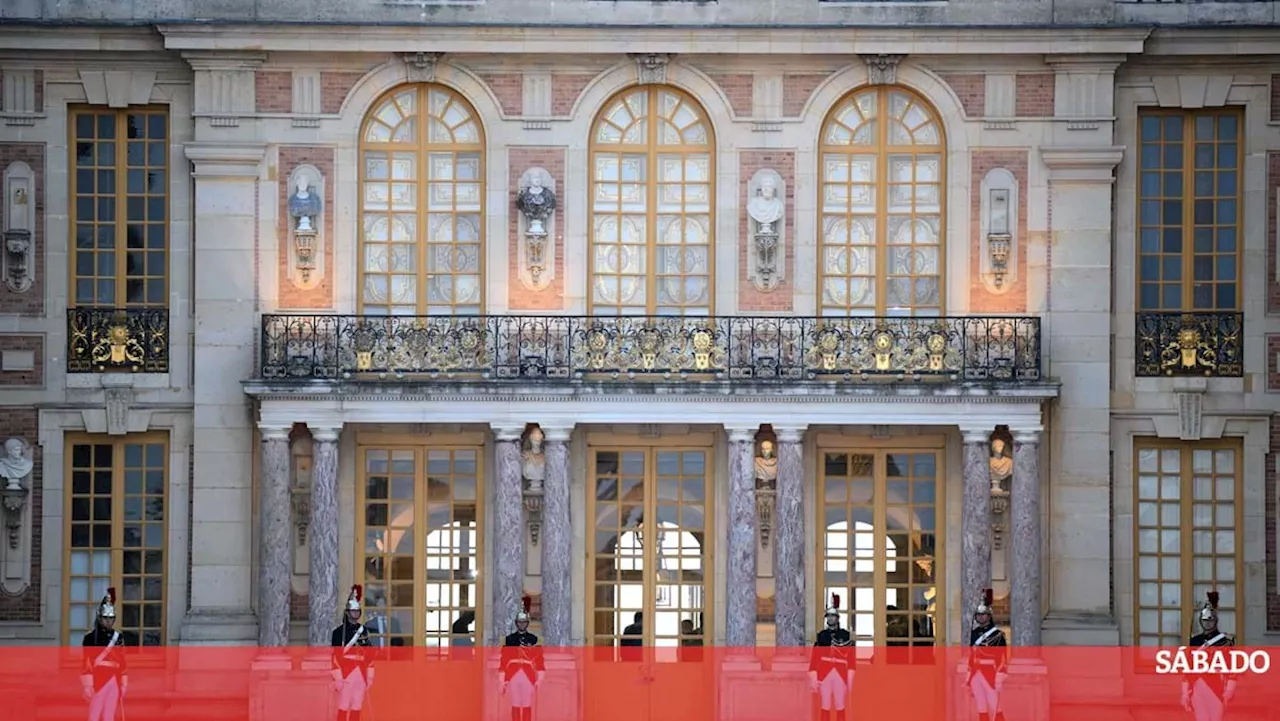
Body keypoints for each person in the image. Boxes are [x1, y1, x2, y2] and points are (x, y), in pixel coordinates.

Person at [1182, 591, 1236, 721]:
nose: (1207, 623)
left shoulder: (1226, 641)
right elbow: (1188, 669)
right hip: (1197, 686)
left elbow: (1232, 670)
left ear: (1215, 621)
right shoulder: (1195, 641)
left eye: (1210, 620)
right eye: (1204, 620)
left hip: (1217, 686)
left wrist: (1229, 691)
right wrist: (1184, 693)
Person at [81, 588, 133, 721]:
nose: (109, 621)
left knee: (109, 715)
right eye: (105, 618)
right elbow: (86, 662)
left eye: (111, 618)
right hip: (98, 678)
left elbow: (122, 662)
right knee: (94, 715)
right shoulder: (90, 638)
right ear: (100, 618)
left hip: (114, 679)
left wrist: (124, 682)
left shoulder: (118, 636)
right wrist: (87, 685)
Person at [331, 585, 375, 721]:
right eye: (353, 611)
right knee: (343, 705)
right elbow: (335, 656)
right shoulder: (338, 632)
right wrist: (337, 677)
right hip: (346, 671)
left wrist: (370, 675)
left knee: (357, 706)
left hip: (360, 671)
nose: (355, 614)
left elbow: (369, 654)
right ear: (347, 612)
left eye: (357, 611)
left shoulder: (364, 631)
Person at [809, 594, 854, 721]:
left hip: (840, 672)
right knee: (825, 705)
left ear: (837, 618)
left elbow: (850, 658)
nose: (830, 619)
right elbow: (815, 657)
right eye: (828, 616)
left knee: (840, 705)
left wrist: (850, 677)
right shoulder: (821, 635)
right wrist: (813, 675)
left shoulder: (845, 635)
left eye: (833, 616)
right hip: (825, 672)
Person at [501, 595, 545, 721]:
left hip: (528, 673)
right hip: (513, 673)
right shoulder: (509, 640)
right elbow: (504, 660)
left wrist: (539, 679)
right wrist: (503, 678)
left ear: (527, 623)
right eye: (520, 622)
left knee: (526, 703)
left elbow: (539, 660)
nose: (522, 624)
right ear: (516, 623)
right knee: (515, 703)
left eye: (524, 622)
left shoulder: (534, 639)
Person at [967, 589, 1008, 721]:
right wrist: (969, 672)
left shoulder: (998, 635)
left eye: (983, 615)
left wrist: (1001, 674)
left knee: (995, 707)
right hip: (975, 673)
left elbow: (1003, 657)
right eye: (978, 615)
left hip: (990, 673)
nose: (980, 617)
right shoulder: (974, 633)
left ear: (989, 616)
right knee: (981, 707)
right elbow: (971, 653)